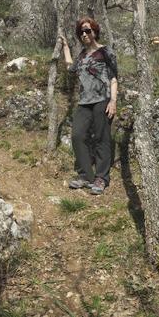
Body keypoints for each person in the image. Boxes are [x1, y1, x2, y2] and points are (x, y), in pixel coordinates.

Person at [61, 17, 118, 195]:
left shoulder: (106, 52)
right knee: (77, 135)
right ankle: (86, 175)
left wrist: (113, 101)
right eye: (81, 32)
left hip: (103, 100)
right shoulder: (82, 56)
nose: (84, 34)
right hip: (84, 102)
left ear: (94, 31)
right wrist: (65, 48)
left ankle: (101, 177)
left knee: (102, 138)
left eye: (87, 30)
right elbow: (71, 68)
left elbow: (114, 78)